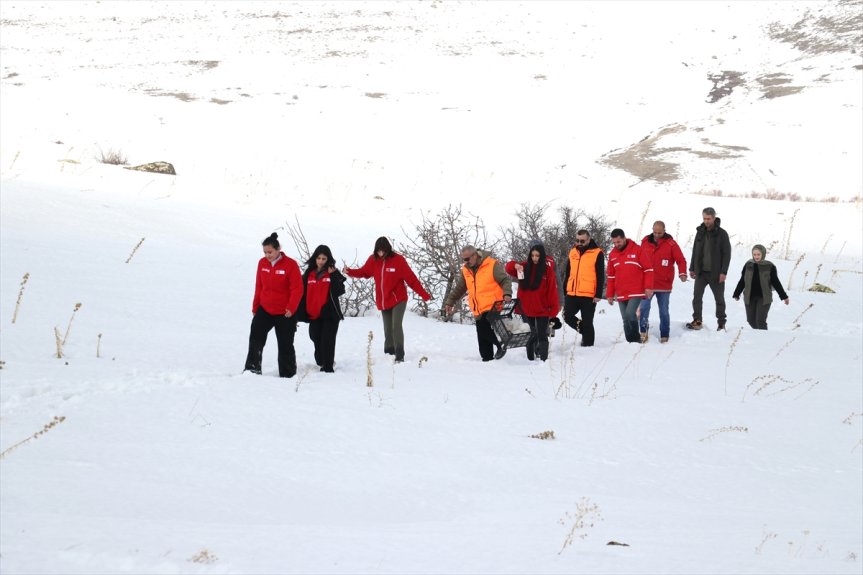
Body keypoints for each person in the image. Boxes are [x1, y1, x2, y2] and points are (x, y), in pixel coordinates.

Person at [344, 236, 431, 363]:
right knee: (387, 328)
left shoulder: (398, 260)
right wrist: (349, 271)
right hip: (384, 300)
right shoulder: (373, 260)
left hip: (398, 299)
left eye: (383, 251)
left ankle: (399, 354)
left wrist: (424, 295)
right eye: (378, 251)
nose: (380, 253)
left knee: (396, 326)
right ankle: (389, 351)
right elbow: (364, 272)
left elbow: (411, 279)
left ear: (388, 249)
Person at [244, 233, 303, 378]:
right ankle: (252, 369)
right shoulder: (262, 263)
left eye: (270, 252)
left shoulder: (290, 264)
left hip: (285, 312)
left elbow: (297, 288)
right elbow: (259, 285)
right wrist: (255, 306)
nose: (267, 255)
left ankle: (288, 374)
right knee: (255, 337)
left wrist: (291, 308)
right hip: (265, 309)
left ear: (278, 249)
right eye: (265, 252)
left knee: (285, 344)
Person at [444, 245, 513, 361]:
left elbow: (505, 280)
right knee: (482, 336)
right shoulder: (466, 270)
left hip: (495, 303)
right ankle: (487, 360)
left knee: (483, 328)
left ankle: (500, 344)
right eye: (463, 259)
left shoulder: (491, 264)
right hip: (478, 306)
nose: (465, 262)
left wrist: (507, 293)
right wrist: (450, 301)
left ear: (475, 255)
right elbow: (460, 288)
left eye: (467, 259)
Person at [504, 240, 560, 361]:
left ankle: (544, 360)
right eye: (533, 255)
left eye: (537, 255)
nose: (535, 258)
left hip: (542, 308)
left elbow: (552, 291)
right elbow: (508, 268)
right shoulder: (523, 267)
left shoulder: (547, 270)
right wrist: (515, 265)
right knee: (529, 334)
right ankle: (530, 359)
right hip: (525, 308)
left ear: (542, 256)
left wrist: (553, 310)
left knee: (542, 335)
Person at [639, 221, 688, 343]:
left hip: (664, 284)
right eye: (654, 232)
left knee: (664, 311)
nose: (656, 235)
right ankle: (643, 332)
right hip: (648, 284)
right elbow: (638, 259)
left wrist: (682, 273)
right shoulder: (645, 241)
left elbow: (681, 260)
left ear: (664, 230)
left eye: (659, 233)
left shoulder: (671, 244)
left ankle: (664, 335)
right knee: (644, 308)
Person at [301, 245, 345, 373]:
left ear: (328, 259)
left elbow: (339, 291)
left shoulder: (332, 272)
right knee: (315, 336)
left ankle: (328, 367)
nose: (320, 261)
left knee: (328, 340)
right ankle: (322, 361)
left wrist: (333, 275)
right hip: (313, 314)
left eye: (324, 259)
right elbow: (300, 292)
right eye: (318, 258)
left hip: (329, 314)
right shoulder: (309, 274)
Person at [687, 207, 732, 331]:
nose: (706, 221)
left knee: (719, 299)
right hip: (701, 272)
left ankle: (721, 324)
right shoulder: (700, 231)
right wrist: (692, 268)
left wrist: (724, 272)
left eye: (709, 218)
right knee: (697, 297)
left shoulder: (722, 233)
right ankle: (697, 321)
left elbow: (727, 254)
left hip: (716, 273)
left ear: (714, 218)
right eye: (704, 218)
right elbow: (695, 250)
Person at [606, 228, 654, 343]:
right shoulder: (612, 255)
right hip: (621, 291)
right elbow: (611, 276)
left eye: (619, 242)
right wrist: (610, 294)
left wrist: (648, 287)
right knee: (624, 318)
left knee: (630, 313)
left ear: (624, 238)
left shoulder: (637, 250)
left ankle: (636, 340)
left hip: (636, 290)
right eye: (614, 243)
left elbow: (649, 269)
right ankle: (629, 342)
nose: (617, 245)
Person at [563, 229, 605, 347]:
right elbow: (568, 272)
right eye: (577, 240)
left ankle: (588, 345)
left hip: (589, 294)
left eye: (582, 241)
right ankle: (586, 332)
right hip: (572, 292)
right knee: (567, 316)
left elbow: (600, 275)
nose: (579, 243)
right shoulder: (572, 252)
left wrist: (598, 294)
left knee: (587, 321)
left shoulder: (597, 253)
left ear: (589, 239)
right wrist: (565, 289)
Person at [732, 244, 789, 330]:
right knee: (750, 320)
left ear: (763, 254)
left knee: (760, 320)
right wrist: (737, 293)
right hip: (749, 297)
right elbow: (742, 280)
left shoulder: (769, 266)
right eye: (754, 254)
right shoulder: (748, 265)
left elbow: (776, 282)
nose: (756, 256)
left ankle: (764, 339)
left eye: (758, 254)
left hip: (764, 297)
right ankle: (758, 336)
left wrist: (784, 296)